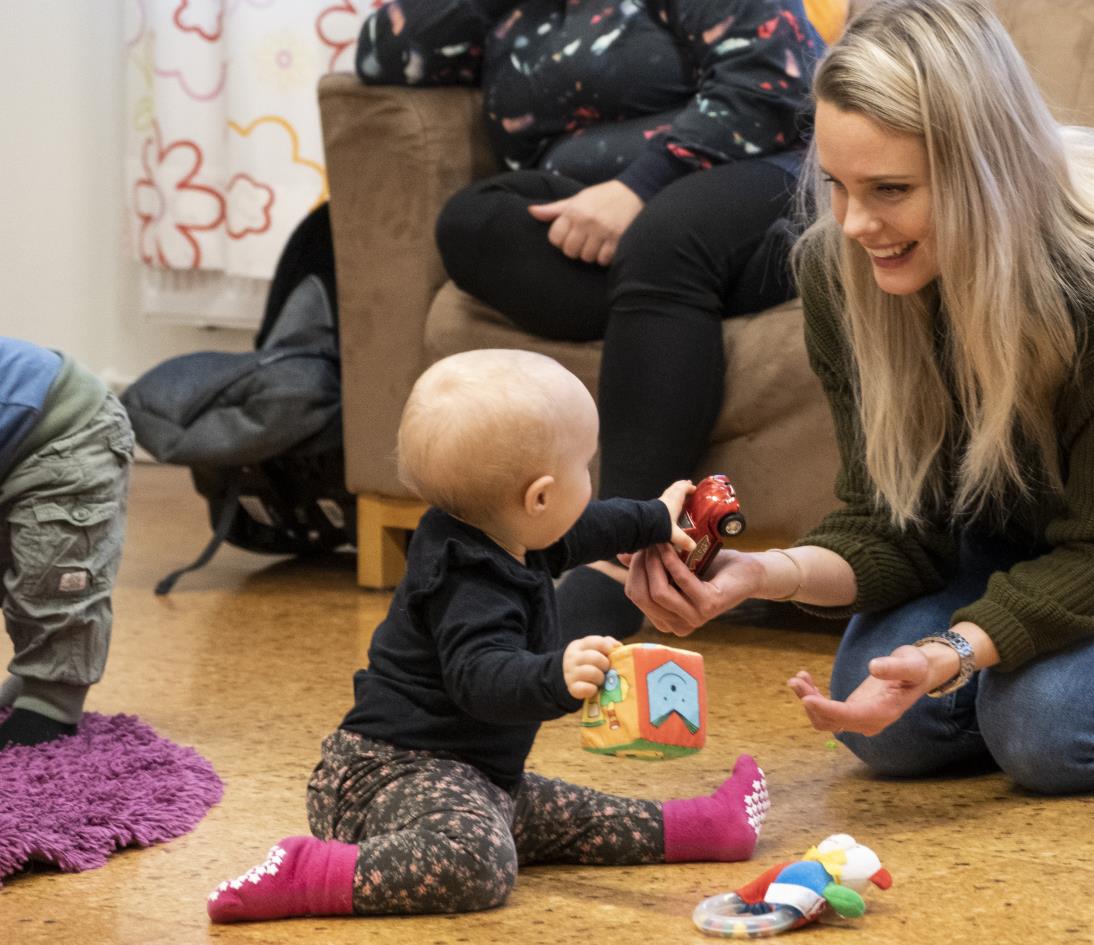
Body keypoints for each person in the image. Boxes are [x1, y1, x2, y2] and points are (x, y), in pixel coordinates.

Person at [619, 0, 1094, 795]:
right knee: (892, 735)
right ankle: (1081, 673)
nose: (856, 224)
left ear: (987, 169)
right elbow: (893, 528)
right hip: (1033, 539)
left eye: (890, 189)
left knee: (1045, 726)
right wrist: (757, 576)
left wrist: (956, 651)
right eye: (836, 185)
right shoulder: (843, 270)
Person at [207, 350, 770, 922]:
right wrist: (556, 675)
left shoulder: (508, 528)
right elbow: (481, 677)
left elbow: (587, 528)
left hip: (472, 779)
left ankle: (707, 826)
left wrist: (654, 518)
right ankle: (310, 873)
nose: (591, 481)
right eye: (586, 467)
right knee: (477, 858)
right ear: (540, 498)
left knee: (577, 814)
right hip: (382, 779)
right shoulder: (466, 577)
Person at [356, 0, 828, 641]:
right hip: (592, 214)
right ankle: (675, 297)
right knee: (474, 224)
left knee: (666, 239)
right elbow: (387, 52)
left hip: (757, 177)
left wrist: (640, 187)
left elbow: (777, 85)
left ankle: (623, 553)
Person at [0, 337, 132, 750]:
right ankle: (33, 675)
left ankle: (50, 703)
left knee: (53, 571)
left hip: (69, 430)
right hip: (16, 432)